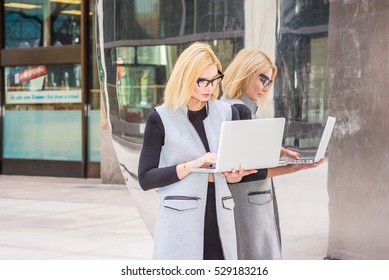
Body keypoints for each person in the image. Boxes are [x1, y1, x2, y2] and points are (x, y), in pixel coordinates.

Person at [137, 42, 256, 260]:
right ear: (186, 76)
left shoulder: (229, 113)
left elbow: (231, 172)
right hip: (180, 220)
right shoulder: (160, 118)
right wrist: (191, 166)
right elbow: (146, 178)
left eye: (214, 79)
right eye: (202, 80)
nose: (209, 87)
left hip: (221, 216)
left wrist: (235, 176)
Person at [220, 48, 324, 260]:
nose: (265, 87)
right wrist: (293, 167)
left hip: (251, 204)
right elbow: (247, 171)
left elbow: (244, 156)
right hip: (249, 208)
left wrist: (271, 150)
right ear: (246, 72)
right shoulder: (238, 110)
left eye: (269, 82)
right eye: (262, 79)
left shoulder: (229, 107)